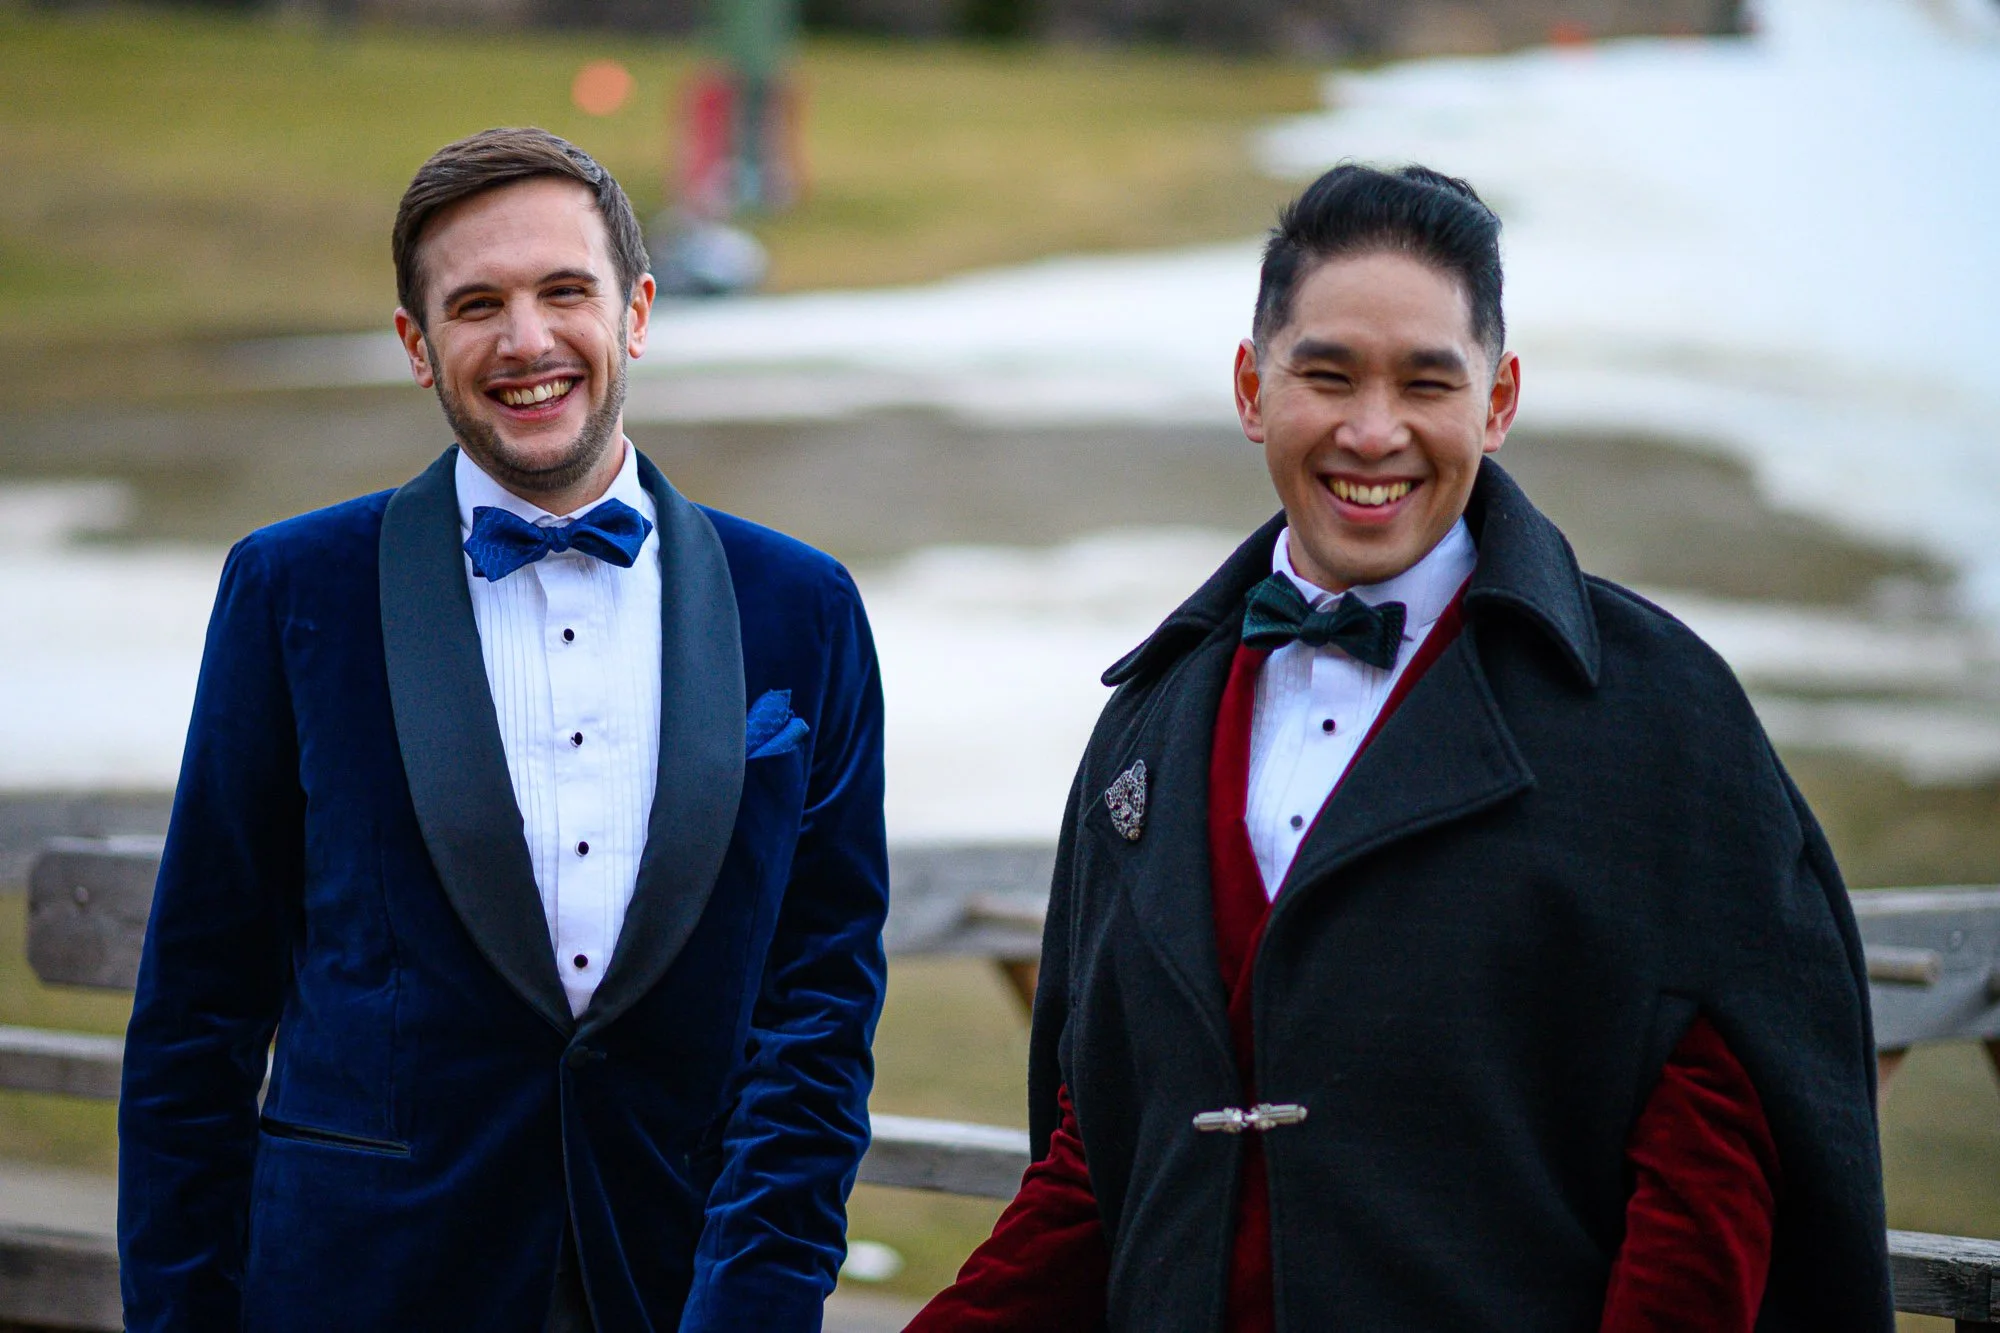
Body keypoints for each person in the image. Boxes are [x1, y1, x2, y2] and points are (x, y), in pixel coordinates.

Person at [907, 164, 1890, 1331]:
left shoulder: (1658, 716)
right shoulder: (1147, 723)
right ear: (1249, 386)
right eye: (1325, 375)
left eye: (1427, 383)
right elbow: (1092, 1162)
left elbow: (1713, 1177)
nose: (1371, 433)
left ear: (1499, 398)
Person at [117, 127, 888, 1333]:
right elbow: (197, 1013)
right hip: (360, 1291)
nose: (526, 340)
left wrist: (754, 1304)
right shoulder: (291, 592)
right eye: (476, 305)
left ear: (635, 312)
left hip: (674, 1286)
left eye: (563, 291)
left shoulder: (801, 607)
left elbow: (818, 1007)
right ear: (418, 348)